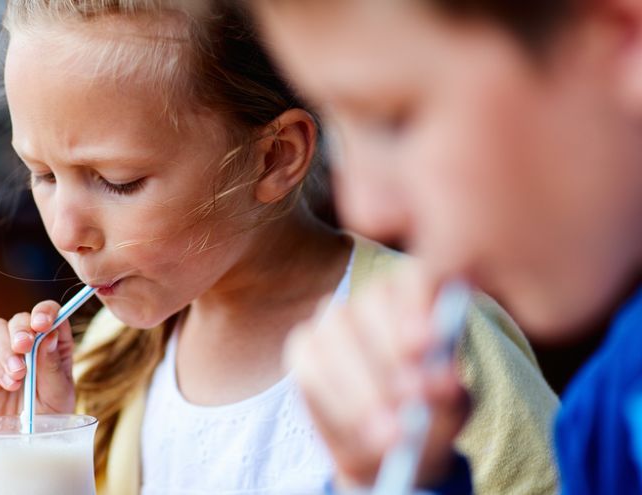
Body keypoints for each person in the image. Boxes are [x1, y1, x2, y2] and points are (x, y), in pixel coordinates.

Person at [0, 1, 558, 493]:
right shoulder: (100, 368)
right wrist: (34, 451)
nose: (66, 232)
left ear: (274, 157)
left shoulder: (436, 347)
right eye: (41, 175)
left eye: (118, 181)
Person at [252, 0, 642, 493]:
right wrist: (398, 479)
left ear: (621, 37)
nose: (367, 210)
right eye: (343, 136)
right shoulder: (606, 422)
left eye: (390, 120)